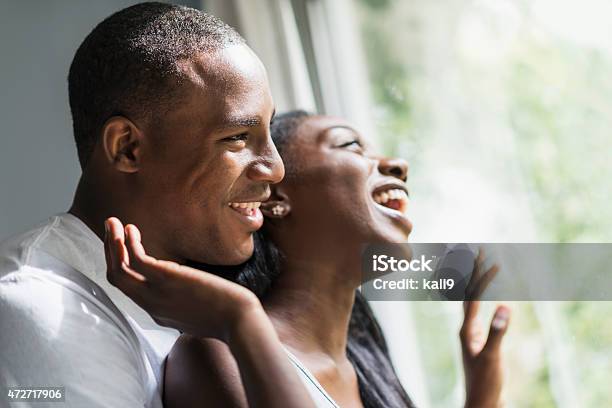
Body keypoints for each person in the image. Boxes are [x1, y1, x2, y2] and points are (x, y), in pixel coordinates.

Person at [0, 4, 316, 407]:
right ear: (128, 148)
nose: (275, 169)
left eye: (268, 130)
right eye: (238, 136)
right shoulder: (34, 303)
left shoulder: (208, 299)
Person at [113, 111, 512, 407]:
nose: (396, 165)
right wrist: (241, 319)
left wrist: (482, 394)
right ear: (276, 199)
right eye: (350, 145)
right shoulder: (219, 354)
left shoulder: (366, 370)